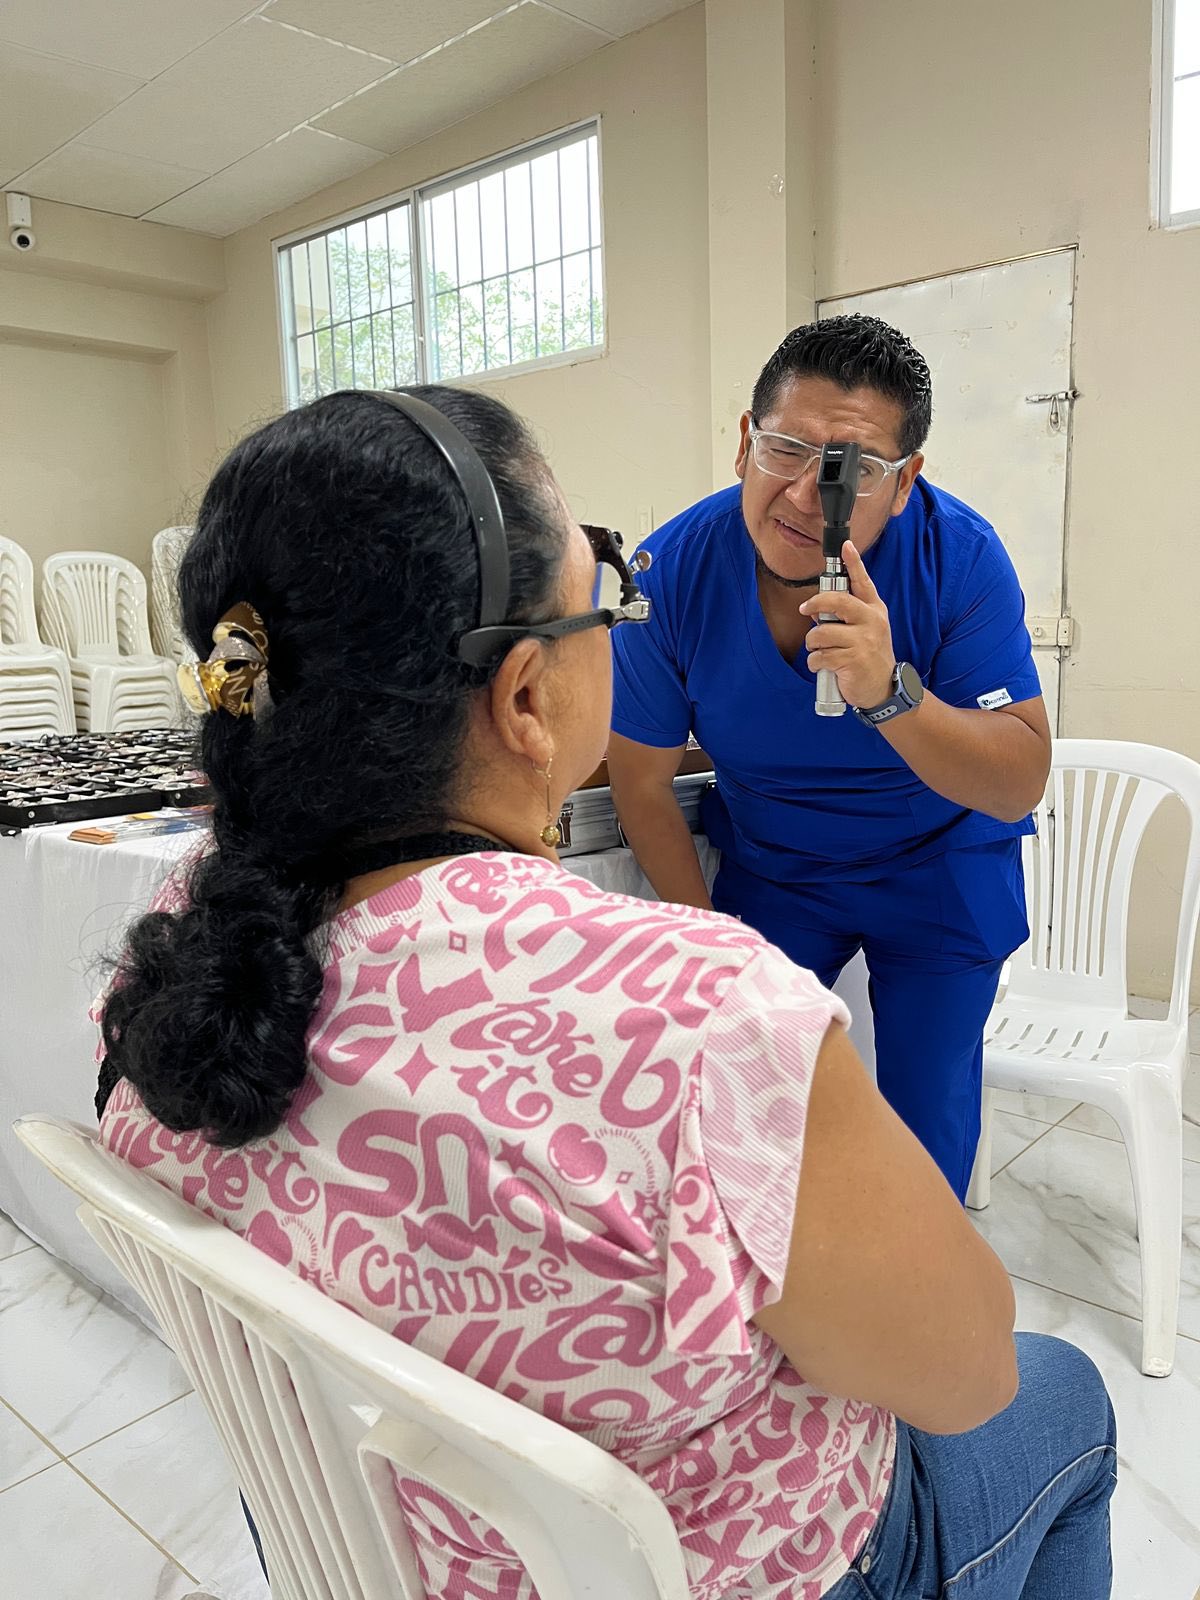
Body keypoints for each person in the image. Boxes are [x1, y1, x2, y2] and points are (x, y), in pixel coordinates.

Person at [96, 385, 1113, 1600]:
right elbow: (967, 1375)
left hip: (382, 1555)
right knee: (1064, 1395)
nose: (808, 488)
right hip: (741, 1564)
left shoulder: (181, 961)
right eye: (603, 598)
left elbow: (1010, 769)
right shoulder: (706, 1014)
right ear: (527, 697)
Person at [607, 315, 1052, 1203]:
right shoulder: (671, 574)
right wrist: (711, 945)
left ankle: (918, 1278)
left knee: (925, 1118)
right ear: (744, 441)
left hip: (938, 863)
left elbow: (1017, 781)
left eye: (854, 468)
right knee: (740, 1097)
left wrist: (891, 694)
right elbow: (641, 780)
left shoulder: (959, 559)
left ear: (906, 480)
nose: (808, 496)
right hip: (780, 866)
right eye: (785, 450)